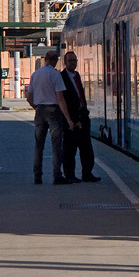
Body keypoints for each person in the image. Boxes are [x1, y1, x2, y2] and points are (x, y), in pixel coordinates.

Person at [26, 50, 76, 185]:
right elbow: (60, 99)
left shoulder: (35, 74)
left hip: (40, 111)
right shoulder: (55, 75)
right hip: (54, 111)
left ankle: (37, 177)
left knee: (38, 146)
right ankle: (57, 176)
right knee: (56, 145)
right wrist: (68, 119)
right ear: (55, 60)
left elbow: (29, 98)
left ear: (45, 59)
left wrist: (37, 108)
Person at [61, 51, 100, 183]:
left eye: (75, 60)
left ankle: (87, 173)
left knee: (86, 148)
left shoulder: (76, 75)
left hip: (83, 117)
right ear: (65, 62)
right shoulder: (62, 77)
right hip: (71, 121)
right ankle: (69, 174)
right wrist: (74, 120)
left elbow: (79, 96)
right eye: (70, 60)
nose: (73, 63)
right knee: (70, 149)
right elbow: (65, 101)